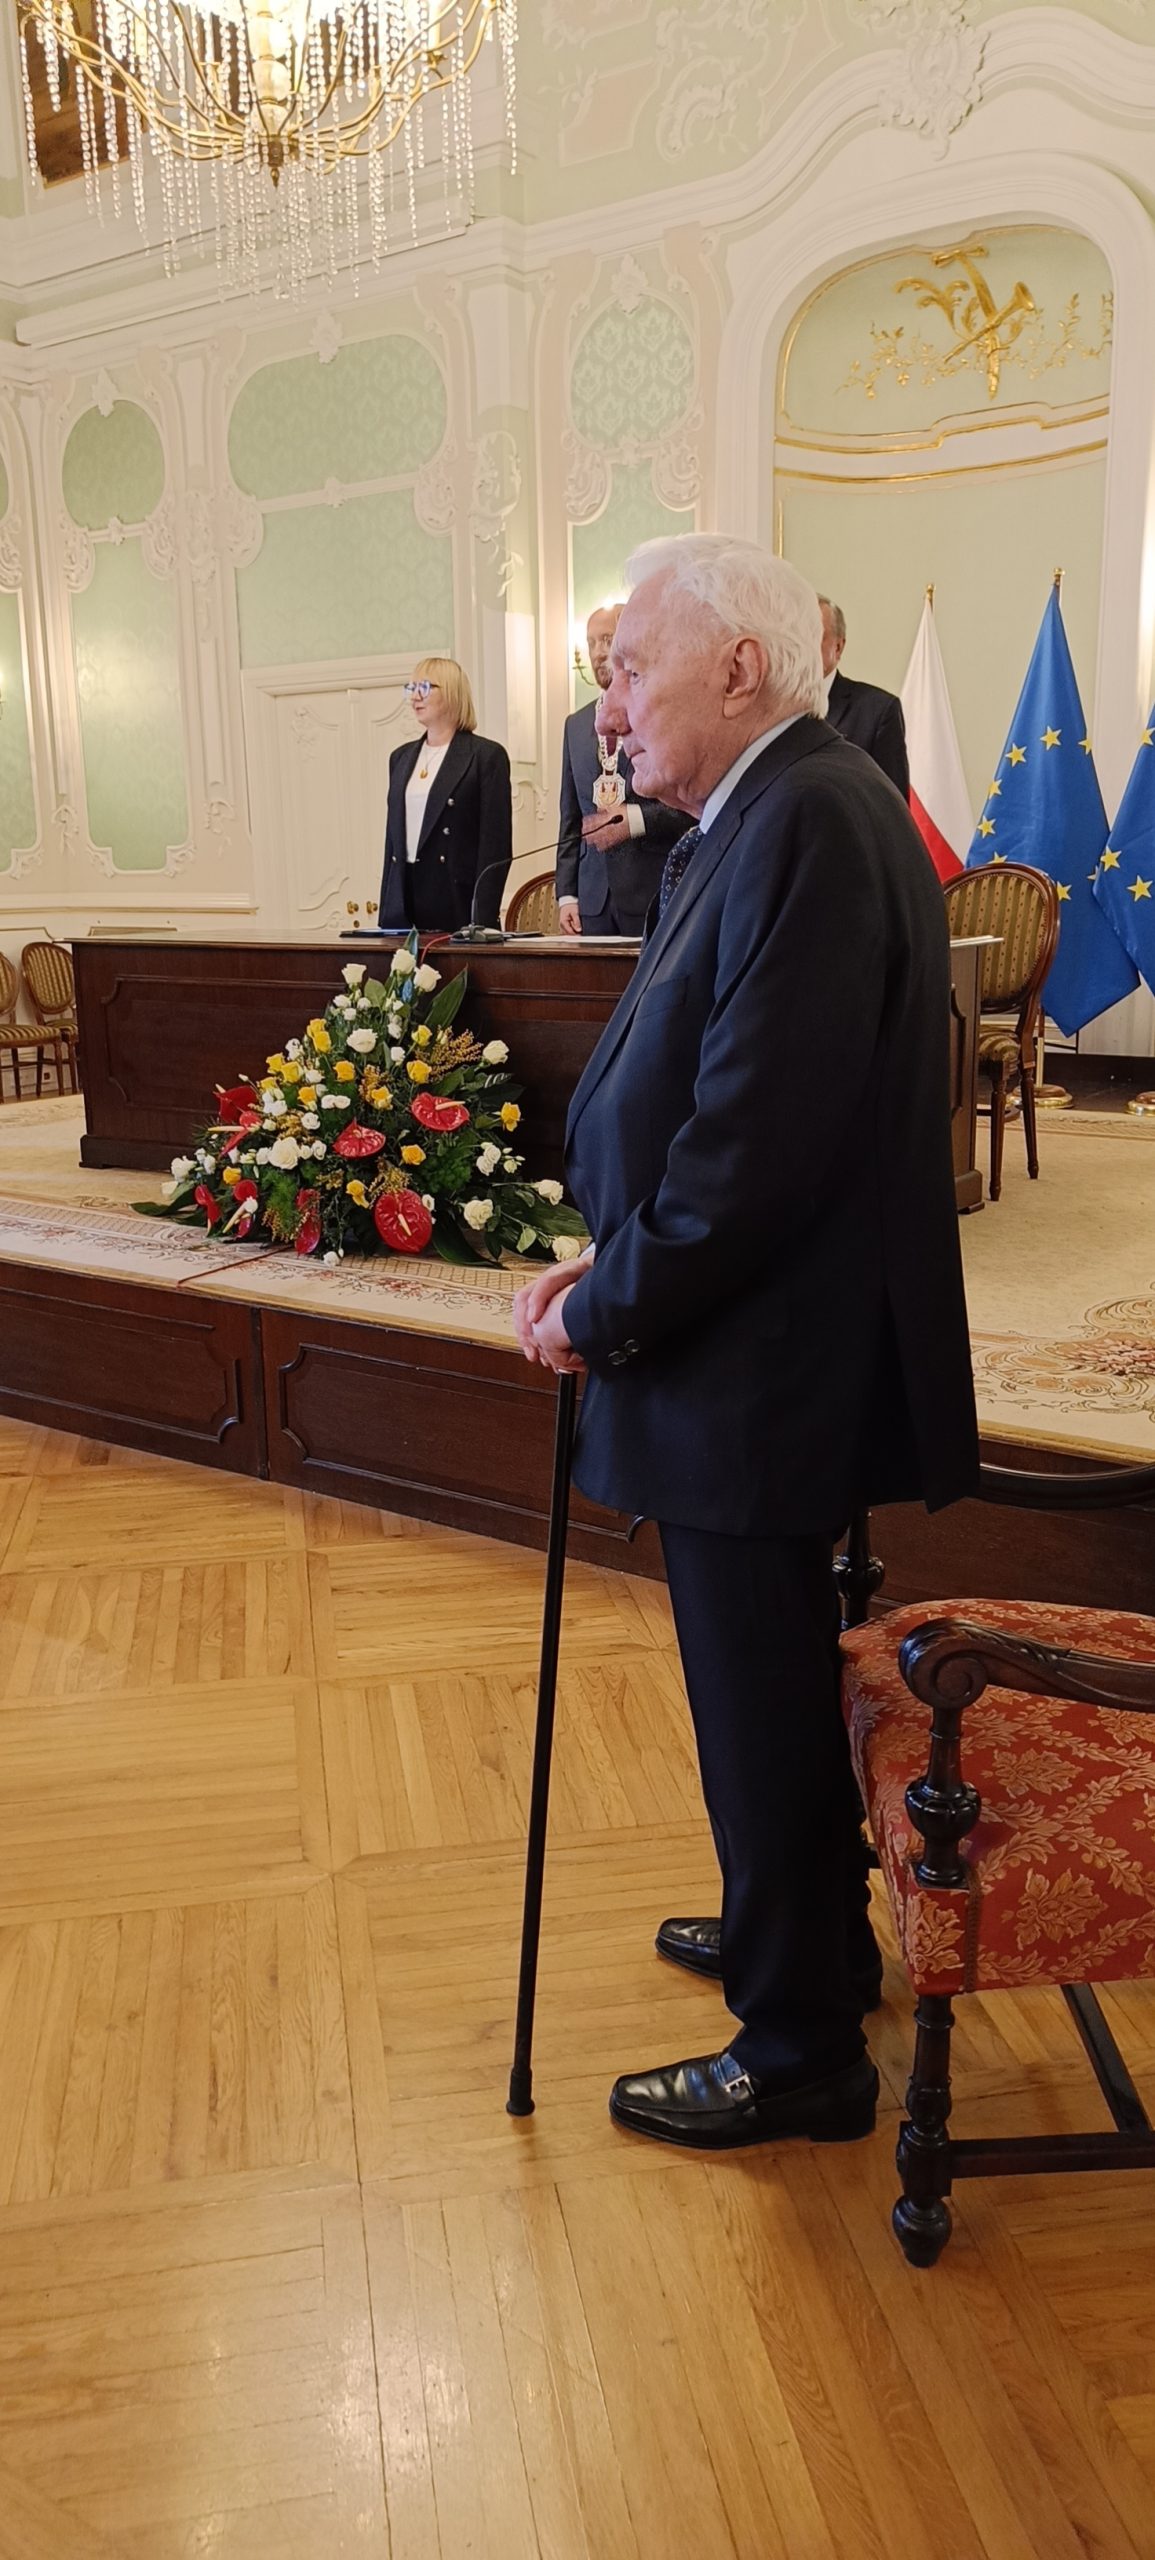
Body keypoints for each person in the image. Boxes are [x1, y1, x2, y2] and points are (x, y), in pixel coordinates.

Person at [513, 534, 977, 2153]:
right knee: (762, 1684)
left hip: (759, 1362)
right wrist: (614, 1252)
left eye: (630, 668)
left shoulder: (811, 819)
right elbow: (710, 1089)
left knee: (759, 1691)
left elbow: (753, 1150)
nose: (609, 706)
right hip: (745, 1342)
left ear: (735, 666)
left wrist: (605, 1301)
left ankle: (797, 2050)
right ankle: (802, 1931)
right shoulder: (764, 812)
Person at [556, 604, 686, 936]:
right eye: (591, 642)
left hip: (651, 891)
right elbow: (570, 817)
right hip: (592, 900)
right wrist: (567, 894)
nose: (598, 652)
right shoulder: (575, 724)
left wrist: (635, 820)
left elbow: (689, 809)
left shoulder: (657, 712)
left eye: (607, 640)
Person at [378, 657, 511, 933]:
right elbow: (392, 843)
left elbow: (495, 848)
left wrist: (481, 920)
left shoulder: (485, 756)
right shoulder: (400, 758)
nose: (415, 696)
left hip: (456, 902)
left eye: (425, 687)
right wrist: (387, 909)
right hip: (404, 902)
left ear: (451, 692)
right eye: (411, 688)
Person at [821, 597, 910, 798]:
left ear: (838, 647)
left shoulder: (877, 710)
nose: (803, 646)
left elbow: (892, 804)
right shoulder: (776, 706)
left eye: (814, 635)